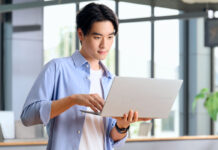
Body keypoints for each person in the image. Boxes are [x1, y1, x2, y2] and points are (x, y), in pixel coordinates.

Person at [21, 3, 150, 150]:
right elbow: (27, 116)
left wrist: (123, 125)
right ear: (81, 34)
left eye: (110, 37)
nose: (104, 45)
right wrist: (73, 99)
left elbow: (112, 138)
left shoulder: (112, 80)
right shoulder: (57, 68)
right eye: (97, 37)